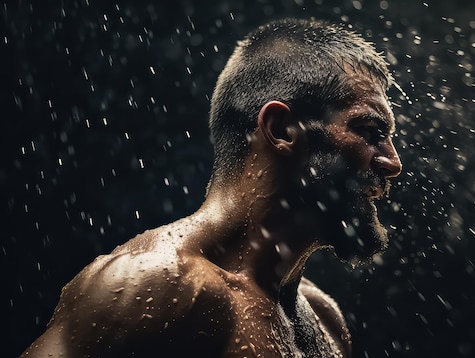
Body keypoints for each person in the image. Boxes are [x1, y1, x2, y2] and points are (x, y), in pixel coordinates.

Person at [21, 17, 402, 357]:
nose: (393, 163)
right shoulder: (158, 287)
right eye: (371, 131)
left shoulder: (324, 318)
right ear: (283, 130)